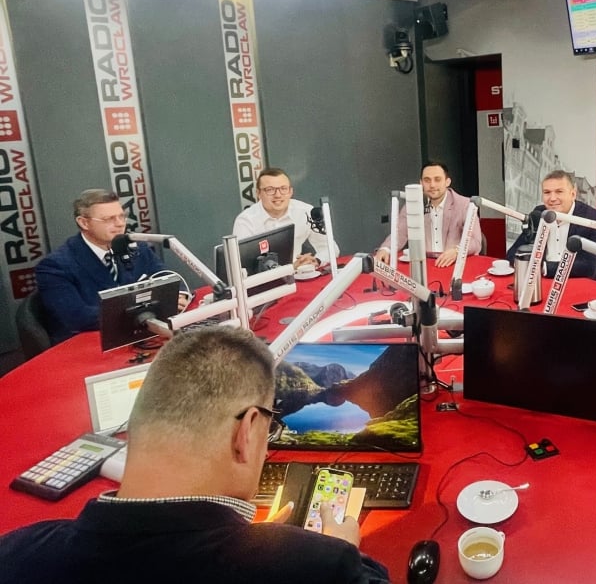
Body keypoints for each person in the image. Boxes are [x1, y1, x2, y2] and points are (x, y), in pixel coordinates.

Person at [0, 324, 390, 582]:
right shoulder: (319, 566)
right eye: (270, 428)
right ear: (245, 432)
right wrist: (343, 550)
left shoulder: (16, 554)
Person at [35, 189, 167, 343]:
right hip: (88, 343)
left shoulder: (138, 248)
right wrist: (143, 312)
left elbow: (166, 277)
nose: (120, 224)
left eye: (122, 216)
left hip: (140, 334)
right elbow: (77, 317)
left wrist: (179, 295)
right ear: (84, 223)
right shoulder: (55, 266)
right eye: (108, 219)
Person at [374, 161, 482, 268]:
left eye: (437, 179)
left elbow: (475, 241)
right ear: (421, 183)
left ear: (447, 182)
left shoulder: (465, 204)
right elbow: (400, 233)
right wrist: (385, 249)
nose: (432, 185)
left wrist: (456, 251)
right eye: (427, 180)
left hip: (455, 265)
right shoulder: (413, 203)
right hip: (425, 266)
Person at [505, 169, 596, 279]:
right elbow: (513, 253)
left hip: (577, 281)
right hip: (541, 280)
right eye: (547, 192)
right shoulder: (539, 213)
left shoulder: (594, 219)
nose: (552, 198)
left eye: (559, 192)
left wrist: (542, 268)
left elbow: (590, 266)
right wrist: (523, 264)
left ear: (573, 194)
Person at [233, 167, 339, 270]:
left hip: (298, 275)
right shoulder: (246, 221)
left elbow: (330, 248)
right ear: (258, 194)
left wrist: (316, 260)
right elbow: (240, 266)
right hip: (262, 278)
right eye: (270, 190)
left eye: (283, 189)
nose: (278, 195)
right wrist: (291, 268)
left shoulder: (306, 212)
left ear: (290, 192)